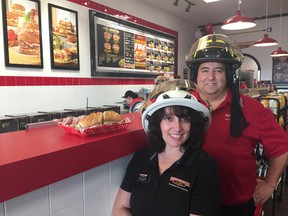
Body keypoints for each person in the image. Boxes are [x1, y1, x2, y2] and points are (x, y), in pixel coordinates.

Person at [185, 34, 288, 216]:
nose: (210, 77)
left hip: (235, 207)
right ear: (196, 74)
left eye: (218, 70)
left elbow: (282, 147)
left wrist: (270, 183)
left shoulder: (251, 109)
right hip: (188, 201)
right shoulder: (182, 106)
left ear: (228, 74)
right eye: (204, 70)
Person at [113, 80, 221, 216]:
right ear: (158, 123)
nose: (177, 128)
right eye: (169, 118)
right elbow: (120, 208)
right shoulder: (142, 157)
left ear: (194, 124)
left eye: (185, 119)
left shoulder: (204, 167)